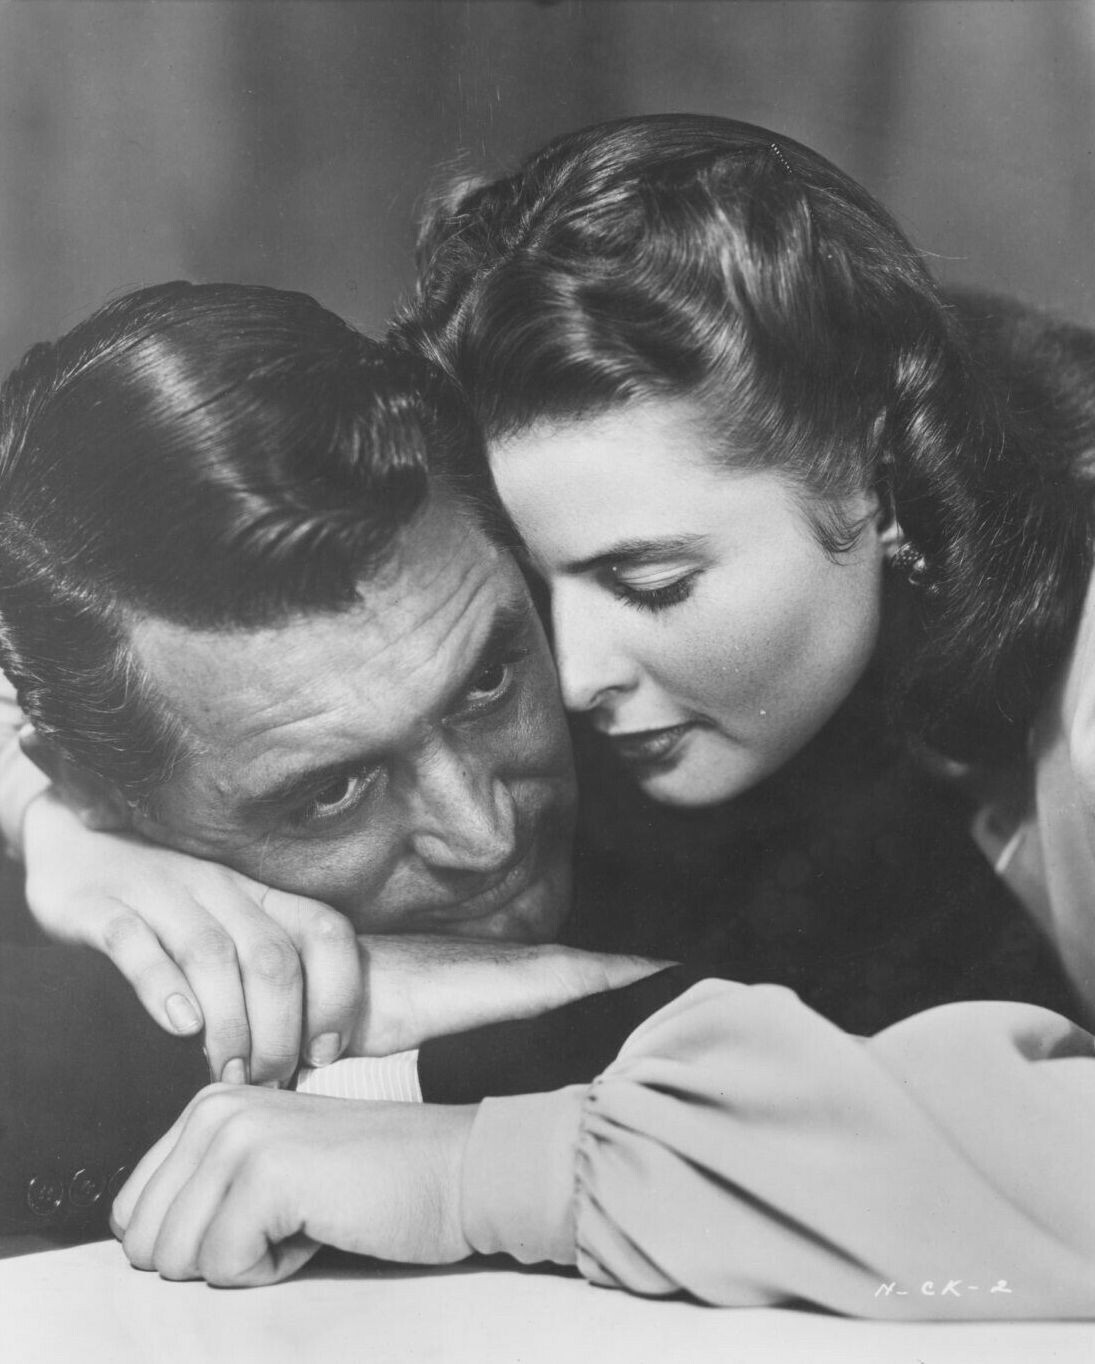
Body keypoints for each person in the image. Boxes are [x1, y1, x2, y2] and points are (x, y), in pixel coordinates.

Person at [1, 260, 1094, 1314]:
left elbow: (982, 1114)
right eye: (332, 793)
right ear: (101, 798)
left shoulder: (737, 704)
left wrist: (531, 995)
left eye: (488, 681)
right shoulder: (71, 910)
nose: (481, 831)